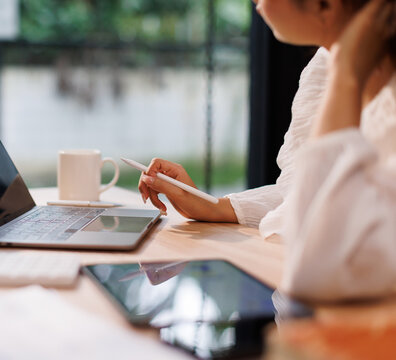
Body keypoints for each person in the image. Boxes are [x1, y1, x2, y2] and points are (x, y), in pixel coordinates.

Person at [138, 0, 396, 301]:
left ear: (327, 5)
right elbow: (307, 190)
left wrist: (346, 74)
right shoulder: (324, 66)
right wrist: (217, 207)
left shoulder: (344, 71)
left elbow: (321, 264)